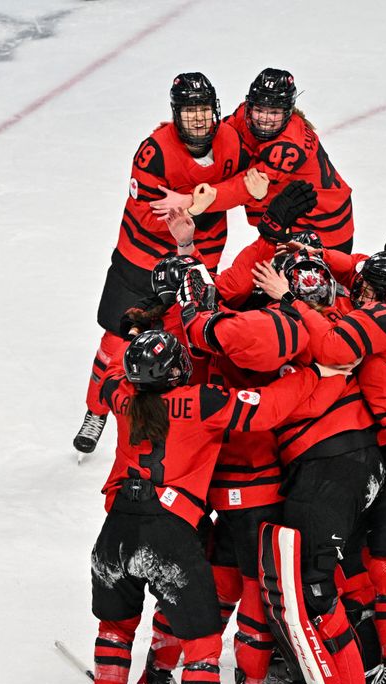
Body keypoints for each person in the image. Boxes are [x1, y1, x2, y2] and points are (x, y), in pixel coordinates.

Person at [88, 329, 350, 684]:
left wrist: (131, 331)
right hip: (168, 532)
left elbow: (114, 365)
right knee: (202, 646)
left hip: (115, 531)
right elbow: (268, 407)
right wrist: (316, 375)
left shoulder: (119, 394)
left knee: (114, 627)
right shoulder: (201, 401)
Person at [261, 250, 386, 684]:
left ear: (385, 297)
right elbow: (365, 276)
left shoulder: (385, 319)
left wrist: (292, 299)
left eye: (369, 290)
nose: (359, 292)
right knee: (371, 556)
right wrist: (316, 253)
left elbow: (332, 348)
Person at [75, 72, 269, 458]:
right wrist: (203, 201)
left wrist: (205, 199)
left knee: (185, 341)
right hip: (139, 262)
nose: (197, 119)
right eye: (188, 111)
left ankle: (171, 420)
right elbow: (147, 215)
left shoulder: (231, 141)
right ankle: (96, 410)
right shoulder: (153, 152)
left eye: (202, 110)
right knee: (116, 341)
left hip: (196, 259)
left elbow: (250, 189)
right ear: (175, 114)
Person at [231, 68, 355, 252]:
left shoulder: (288, 147)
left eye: (273, 112)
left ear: (287, 111)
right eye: (259, 109)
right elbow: (221, 139)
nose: (264, 118)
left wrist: (189, 202)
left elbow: (240, 190)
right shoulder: (245, 114)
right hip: (296, 218)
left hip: (323, 228)